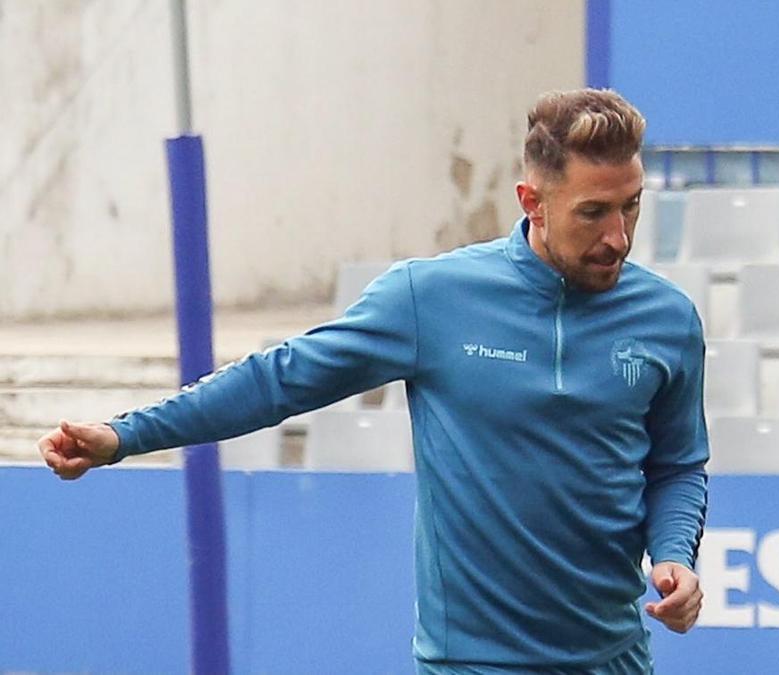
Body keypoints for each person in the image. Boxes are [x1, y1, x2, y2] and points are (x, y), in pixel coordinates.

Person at [37, 88, 708, 674]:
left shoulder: (667, 318)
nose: (619, 237)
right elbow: (279, 381)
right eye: (594, 212)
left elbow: (678, 462)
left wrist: (674, 554)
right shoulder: (432, 298)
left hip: (613, 658)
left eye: (632, 207)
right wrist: (126, 434)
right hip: (473, 661)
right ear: (531, 200)